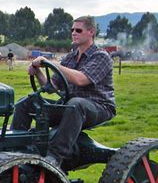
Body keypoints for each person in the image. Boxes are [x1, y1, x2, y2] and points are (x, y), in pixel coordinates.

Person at [11, 16, 115, 167]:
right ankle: (15, 149)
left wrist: (52, 63)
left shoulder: (101, 56)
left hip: (99, 107)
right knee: (27, 102)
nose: (74, 33)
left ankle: (55, 157)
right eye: (72, 30)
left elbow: (81, 79)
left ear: (91, 32)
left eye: (78, 30)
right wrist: (38, 72)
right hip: (71, 107)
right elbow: (51, 86)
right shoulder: (70, 58)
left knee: (75, 104)